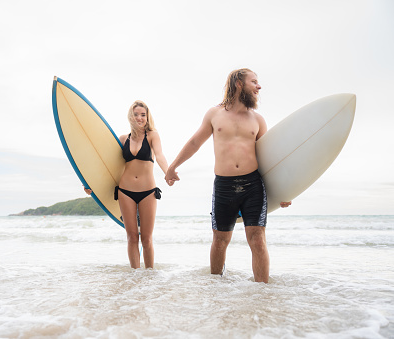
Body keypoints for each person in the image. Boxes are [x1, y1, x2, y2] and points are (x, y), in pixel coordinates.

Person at [164, 68, 291, 283]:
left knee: (257, 240)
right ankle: (216, 290)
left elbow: (270, 159)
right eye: (254, 82)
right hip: (224, 186)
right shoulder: (214, 114)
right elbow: (195, 142)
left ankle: (262, 293)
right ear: (239, 84)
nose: (259, 86)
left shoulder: (258, 120)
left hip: (253, 185)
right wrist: (172, 166)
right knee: (220, 240)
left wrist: (286, 190)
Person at [85, 100, 169, 269]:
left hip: (148, 191)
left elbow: (159, 155)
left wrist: (168, 172)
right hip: (125, 191)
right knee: (131, 237)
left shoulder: (152, 135)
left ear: (147, 117)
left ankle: (150, 277)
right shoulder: (123, 139)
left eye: (143, 115)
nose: (139, 118)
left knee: (146, 238)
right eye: (136, 114)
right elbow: (105, 164)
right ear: (130, 117)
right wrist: (90, 184)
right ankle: (135, 278)